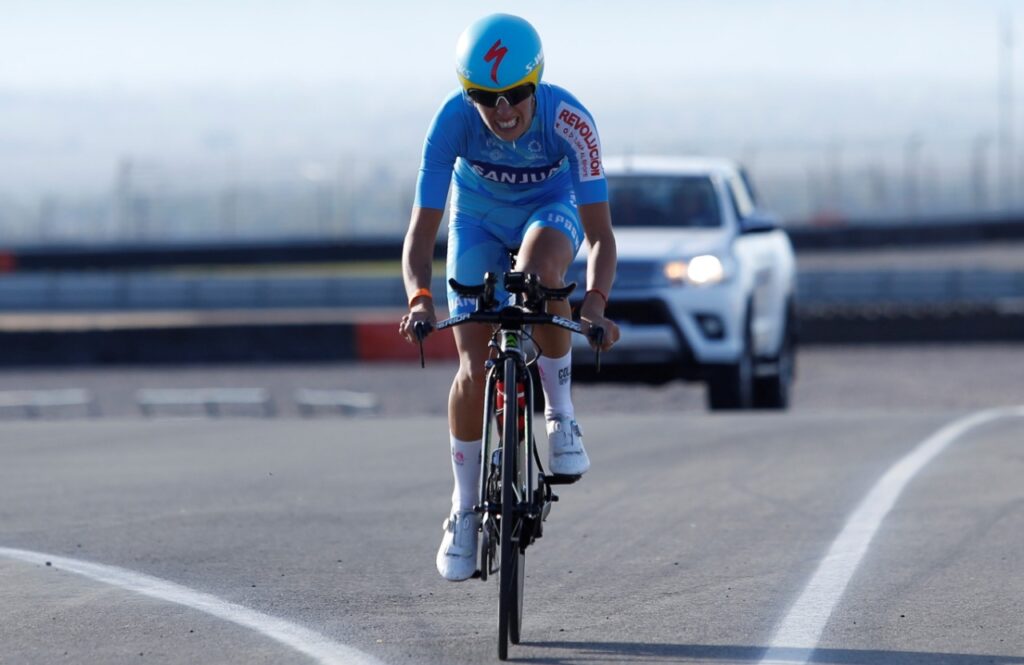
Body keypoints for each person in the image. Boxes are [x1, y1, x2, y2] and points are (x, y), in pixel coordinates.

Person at [398, 13, 620, 582]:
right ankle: (465, 508)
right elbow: (420, 236)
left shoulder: (570, 120)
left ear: (537, 83)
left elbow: (599, 238)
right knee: (473, 366)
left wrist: (594, 302)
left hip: (552, 207)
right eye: (485, 97)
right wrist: (421, 298)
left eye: (516, 95)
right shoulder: (450, 122)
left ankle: (562, 417)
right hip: (478, 218)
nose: (502, 111)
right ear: (467, 93)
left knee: (541, 272)